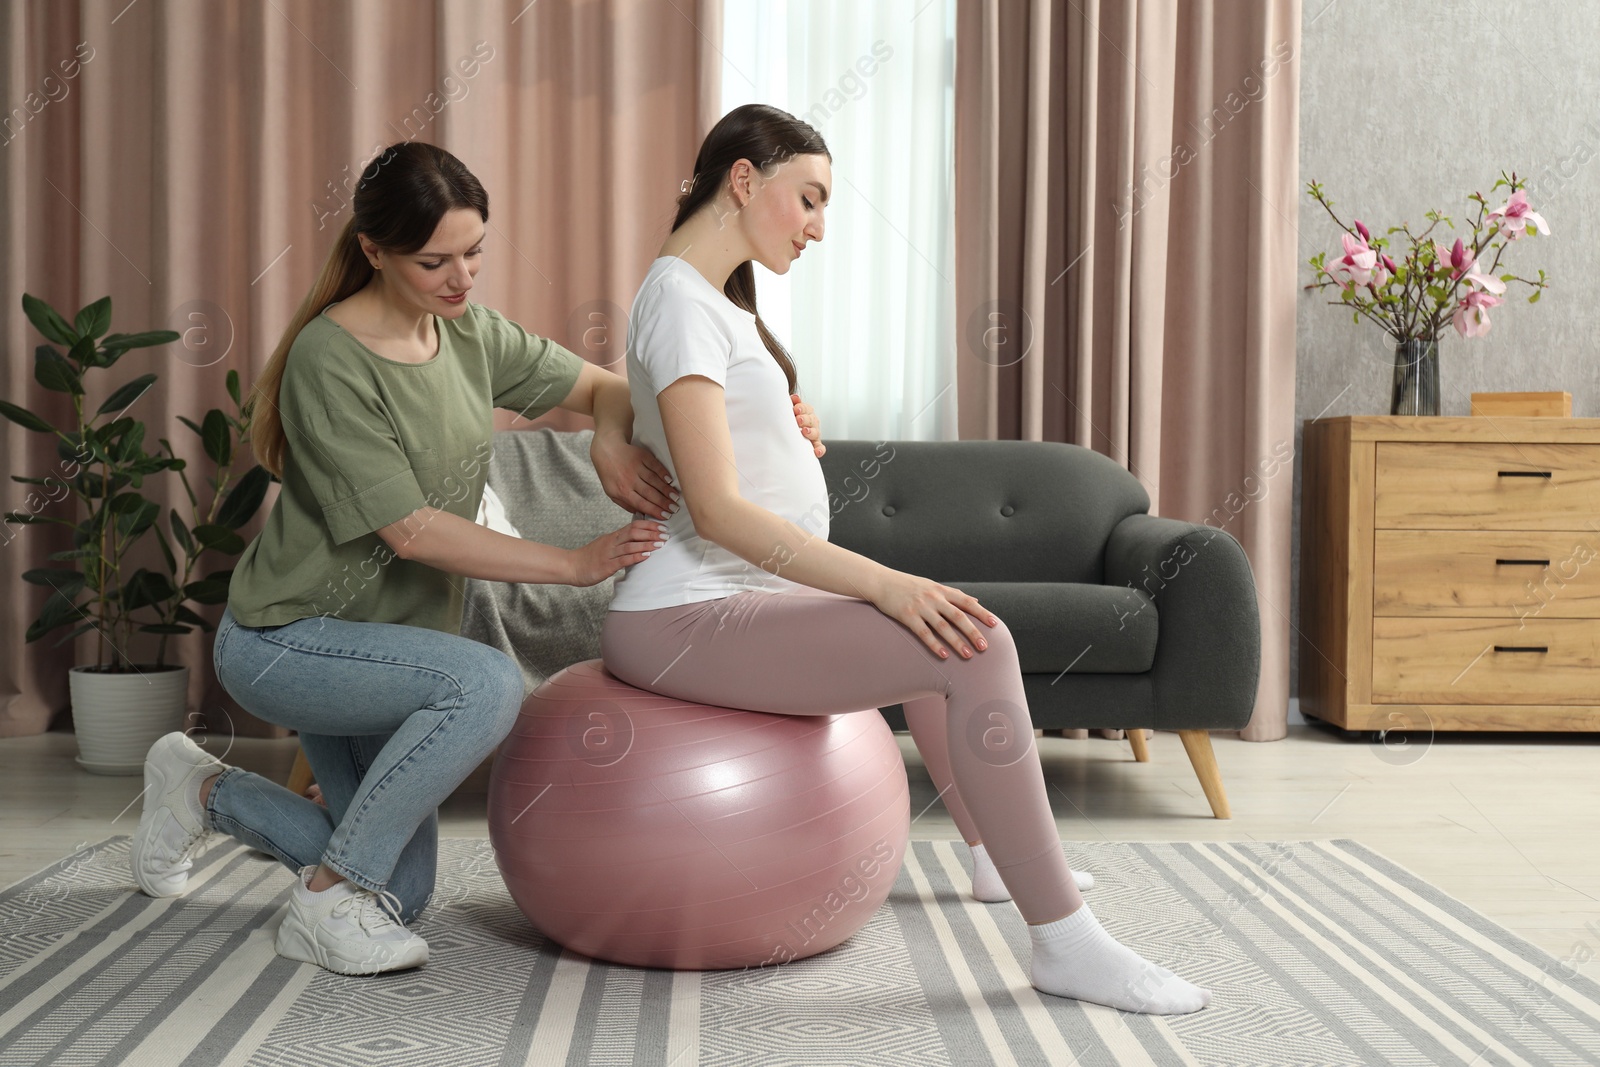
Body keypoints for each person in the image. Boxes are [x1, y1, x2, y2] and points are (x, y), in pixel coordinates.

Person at [127, 140, 824, 977]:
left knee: (405, 889)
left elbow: (614, 389)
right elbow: (413, 531)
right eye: (435, 261)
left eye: (474, 252)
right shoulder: (329, 360)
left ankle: (197, 788)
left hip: (393, 650)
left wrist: (638, 434)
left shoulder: (468, 334)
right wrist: (574, 563)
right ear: (374, 252)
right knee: (485, 682)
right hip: (290, 638)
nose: (462, 279)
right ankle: (322, 905)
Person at [600, 104, 1210, 1014]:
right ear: (741, 179)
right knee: (971, 641)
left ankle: (988, 856)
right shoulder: (684, 303)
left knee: (935, 642)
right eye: (808, 198)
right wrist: (889, 582)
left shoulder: (698, 300)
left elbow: (653, 405)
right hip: (689, 610)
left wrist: (773, 420)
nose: (817, 226)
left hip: (725, 598)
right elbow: (721, 513)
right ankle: (1065, 942)